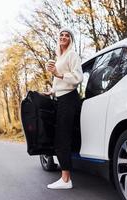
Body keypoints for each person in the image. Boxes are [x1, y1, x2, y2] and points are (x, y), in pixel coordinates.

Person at [44, 28, 83, 189]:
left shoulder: (72, 55)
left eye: (67, 35)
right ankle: (65, 178)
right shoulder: (59, 58)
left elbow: (78, 78)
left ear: (71, 40)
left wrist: (57, 73)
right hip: (60, 99)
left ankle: (66, 180)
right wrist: (51, 91)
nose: (64, 37)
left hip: (69, 99)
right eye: (61, 35)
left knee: (63, 138)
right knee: (59, 138)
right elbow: (59, 83)